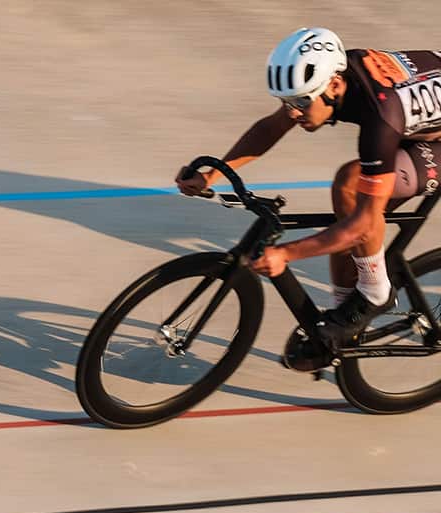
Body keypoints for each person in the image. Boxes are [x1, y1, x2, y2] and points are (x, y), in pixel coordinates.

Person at [177, 27, 441, 350]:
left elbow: (361, 226)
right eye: (286, 101)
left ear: (334, 84)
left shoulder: (379, 115)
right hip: (415, 121)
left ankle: (374, 294)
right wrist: (211, 176)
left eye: (302, 101)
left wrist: (286, 253)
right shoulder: (331, 77)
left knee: (351, 189)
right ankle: (345, 321)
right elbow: (272, 126)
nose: (293, 111)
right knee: (349, 217)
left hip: (408, 126)